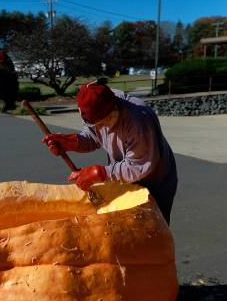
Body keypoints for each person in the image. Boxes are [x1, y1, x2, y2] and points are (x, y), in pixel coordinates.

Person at [42, 78, 178, 225]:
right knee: (124, 229)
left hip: (154, 181)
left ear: (115, 106)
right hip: (123, 180)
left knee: (153, 232)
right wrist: (71, 143)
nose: (103, 126)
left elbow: (139, 166)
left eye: (107, 119)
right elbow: (93, 137)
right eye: (97, 124)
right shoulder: (92, 107)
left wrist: (100, 173)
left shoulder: (138, 121)